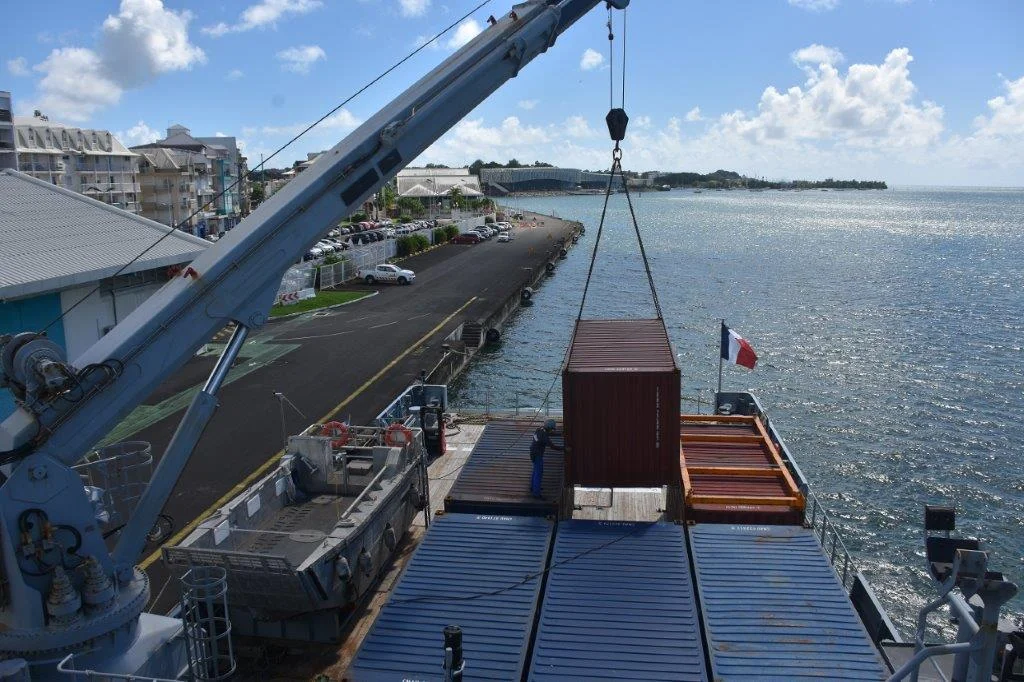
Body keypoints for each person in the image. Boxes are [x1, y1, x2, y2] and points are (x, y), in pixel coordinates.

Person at [529, 419, 563, 498]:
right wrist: (564, 449)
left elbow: (549, 434)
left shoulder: (540, 429)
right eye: (552, 428)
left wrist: (560, 434)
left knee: (535, 471)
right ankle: (536, 494)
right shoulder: (544, 436)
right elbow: (553, 446)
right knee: (539, 473)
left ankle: (533, 487)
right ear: (549, 427)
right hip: (537, 455)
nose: (552, 430)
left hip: (532, 452)